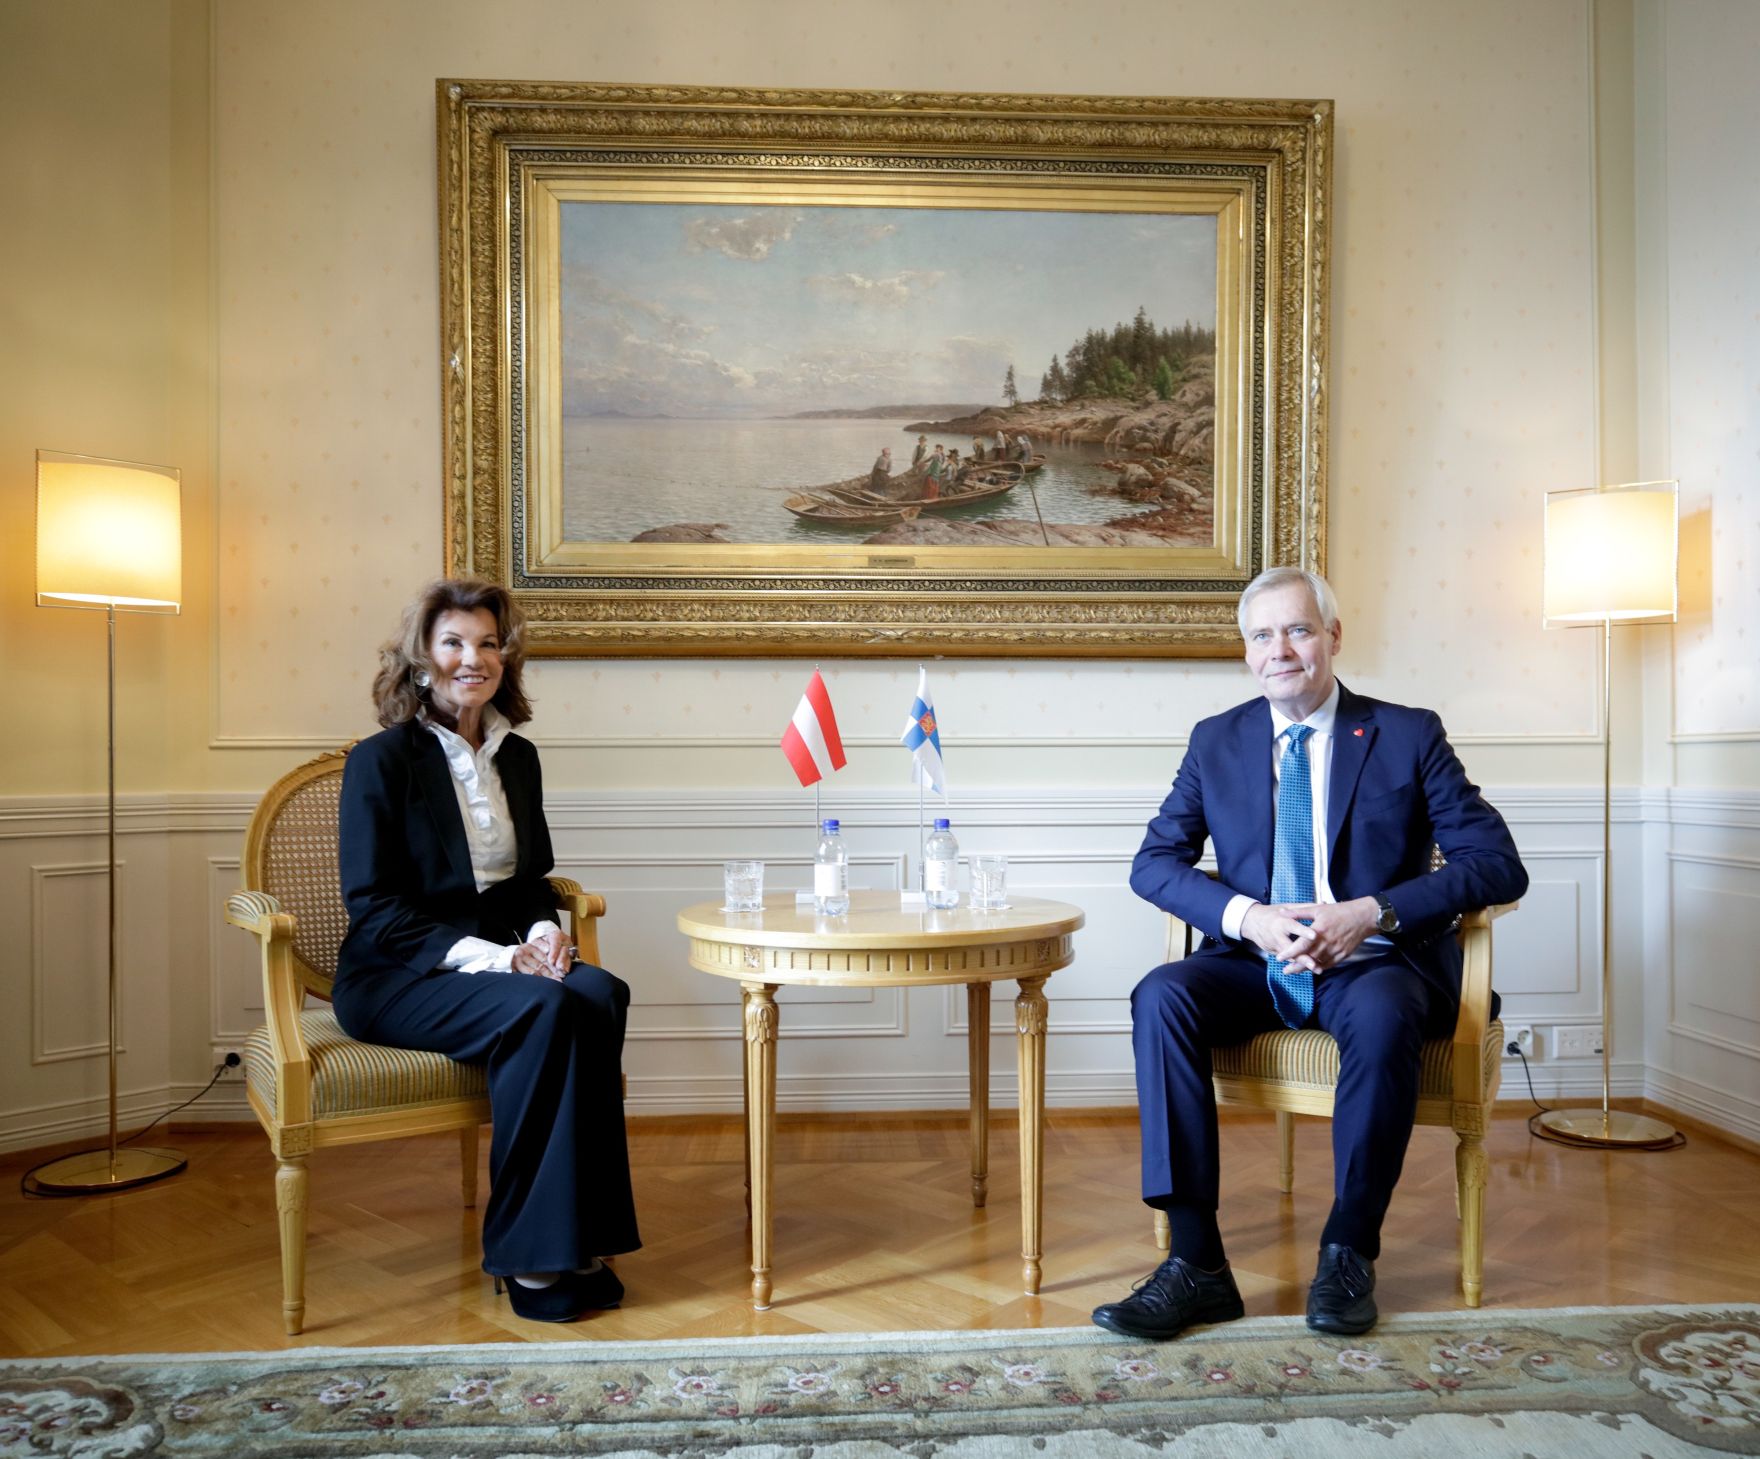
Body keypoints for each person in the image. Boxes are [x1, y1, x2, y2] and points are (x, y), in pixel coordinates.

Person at [1092, 567, 1526, 1342]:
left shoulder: (1406, 732)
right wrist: (1247, 916)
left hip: (1372, 965)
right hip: (1255, 960)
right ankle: (1197, 1264)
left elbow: (1496, 863)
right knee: (1160, 993)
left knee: (1388, 1011)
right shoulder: (1217, 739)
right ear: (1246, 652)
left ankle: (1349, 1250)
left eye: (1296, 629)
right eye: (1261, 635)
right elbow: (1153, 862)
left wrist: (1373, 910)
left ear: (1332, 636)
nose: (1279, 649)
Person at [333, 578, 641, 1323]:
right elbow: (374, 908)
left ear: (506, 658)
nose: (473, 657)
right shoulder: (380, 760)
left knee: (600, 992)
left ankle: (580, 1233)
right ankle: (528, 1253)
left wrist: (542, 934)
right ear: (421, 657)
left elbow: (529, 879)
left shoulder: (519, 757)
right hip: (398, 973)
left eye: (488, 642)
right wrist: (505, 960)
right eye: (454, 642)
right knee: (540, 1009)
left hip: (503, 963)